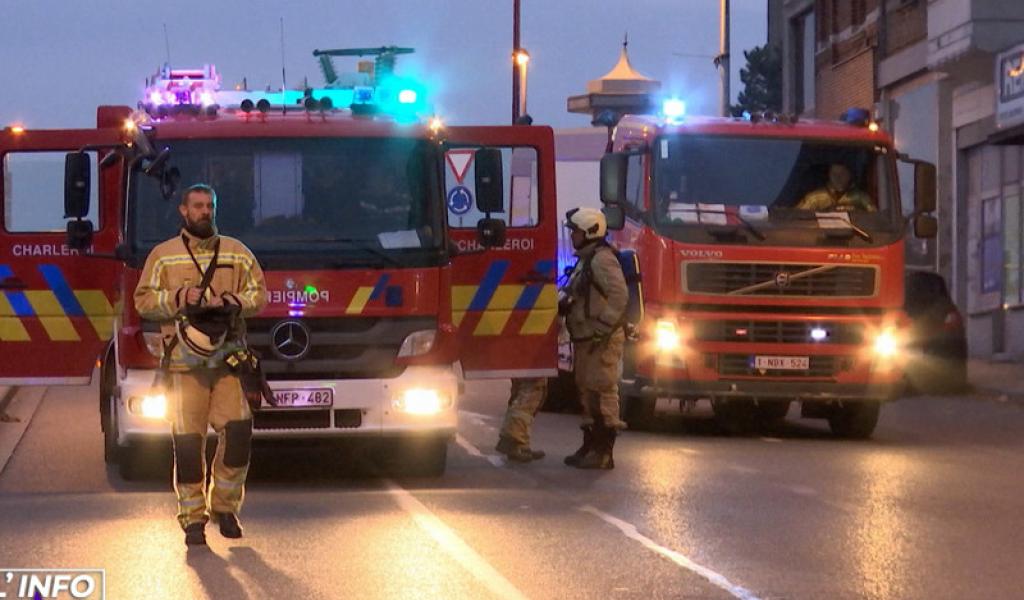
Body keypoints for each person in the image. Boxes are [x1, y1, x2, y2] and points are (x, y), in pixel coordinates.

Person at [134, 183, 267, 547]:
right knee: (189, 445)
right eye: (197, 206)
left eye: (210, 205)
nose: (205, 211)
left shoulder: (238, 253)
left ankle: (225, 508)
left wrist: (234, 301)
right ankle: (193, 520)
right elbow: (143, 301)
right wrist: (179, 297)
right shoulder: (163, 256)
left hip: (228, 363)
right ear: (183, 211)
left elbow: (260, 294)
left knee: (238, 435)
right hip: (183, 365)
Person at [560, 207, 629, 470]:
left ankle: (604, 451)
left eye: (576, 231)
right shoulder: (586, 259)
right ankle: (590, 445)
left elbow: (619, 295)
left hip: (601, 338)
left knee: (601, 391)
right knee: (586, 391)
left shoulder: (602, 260)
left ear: (590, 232)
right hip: (588, 338)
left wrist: (604, 325)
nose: (573, 236)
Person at [494, 378, 548, 462]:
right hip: (530, 369)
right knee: (529, 397)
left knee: (525, 396)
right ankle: (511, 442)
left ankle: (521, 445)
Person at [796, 163, 874, 212]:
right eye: (834, 174)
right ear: (829, 175)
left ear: (850, 175)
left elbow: (874, 219)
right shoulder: (814, 198)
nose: (838, 178)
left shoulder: (860, 197)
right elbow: (797, 220)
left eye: (842, 173)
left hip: (855, 236)